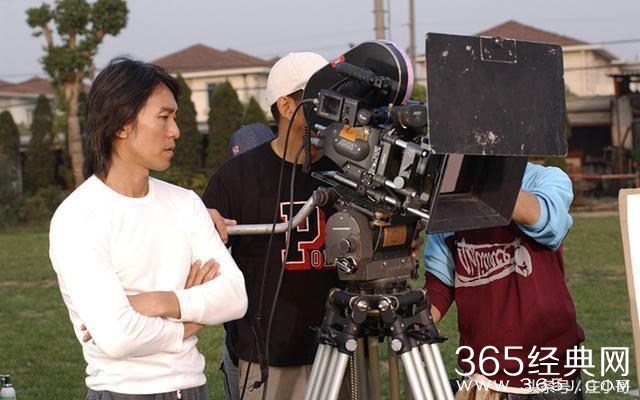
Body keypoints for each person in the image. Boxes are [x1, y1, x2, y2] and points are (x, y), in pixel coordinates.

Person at [49, 57, 248, 400]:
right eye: (163, 117)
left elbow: (235, 297)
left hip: (193, 388)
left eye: (175, 117)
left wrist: (156, 302)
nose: (176, 131)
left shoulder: (185, 203)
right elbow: (117, 336)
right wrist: (191, 321)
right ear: (121, 125)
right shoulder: (78, 217)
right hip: (122, 392)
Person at [202, 52, 347, 400]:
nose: (332, 104)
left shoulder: (348, 168)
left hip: (342, 347)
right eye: (319, 94)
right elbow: (200, 259)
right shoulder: (236, 176)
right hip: (268, 355)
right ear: (285, 105)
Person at [423, 162, 585, 399]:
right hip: (485, 379)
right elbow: (441, 284)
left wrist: (473, 182)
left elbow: (545, 220)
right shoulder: (449, 198)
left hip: (551, 378)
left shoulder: (545, 178)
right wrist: (411, 319)